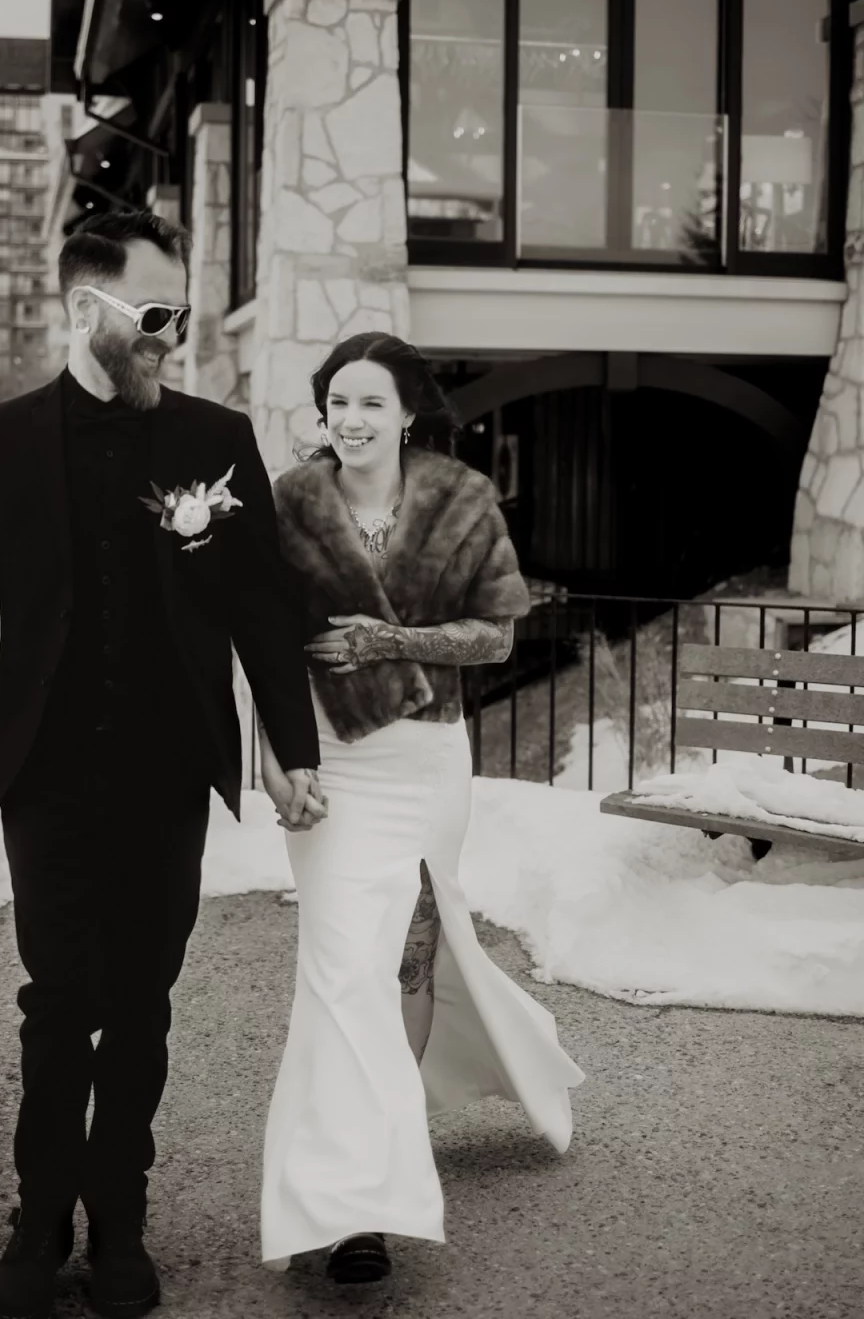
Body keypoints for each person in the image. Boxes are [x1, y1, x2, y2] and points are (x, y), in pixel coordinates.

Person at [0, 209, 323, 1319]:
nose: (169, 338)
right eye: (151, 316)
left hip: (166, 770)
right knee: (56, 1005)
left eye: (179, 316)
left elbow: (258, 607)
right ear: (81, 309)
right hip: (44, 774)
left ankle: (122, 1218)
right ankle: (39, 1222)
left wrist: (289, 751)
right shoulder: (1, 438)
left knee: (141, 1002)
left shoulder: (215, 437)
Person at [258, 332, 584, 1282]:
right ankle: (354, 1204)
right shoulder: (289, 503)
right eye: (337, 403)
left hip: (428, 761)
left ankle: (375, 1156)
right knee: (337, 964)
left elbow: (495, 637)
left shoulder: (462, 499)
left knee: (404, 961)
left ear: (408, 414)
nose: (351, 420)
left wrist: (385, 640)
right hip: (328, 761)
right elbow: (261, 642)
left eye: (371, 402)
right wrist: (274, 763)